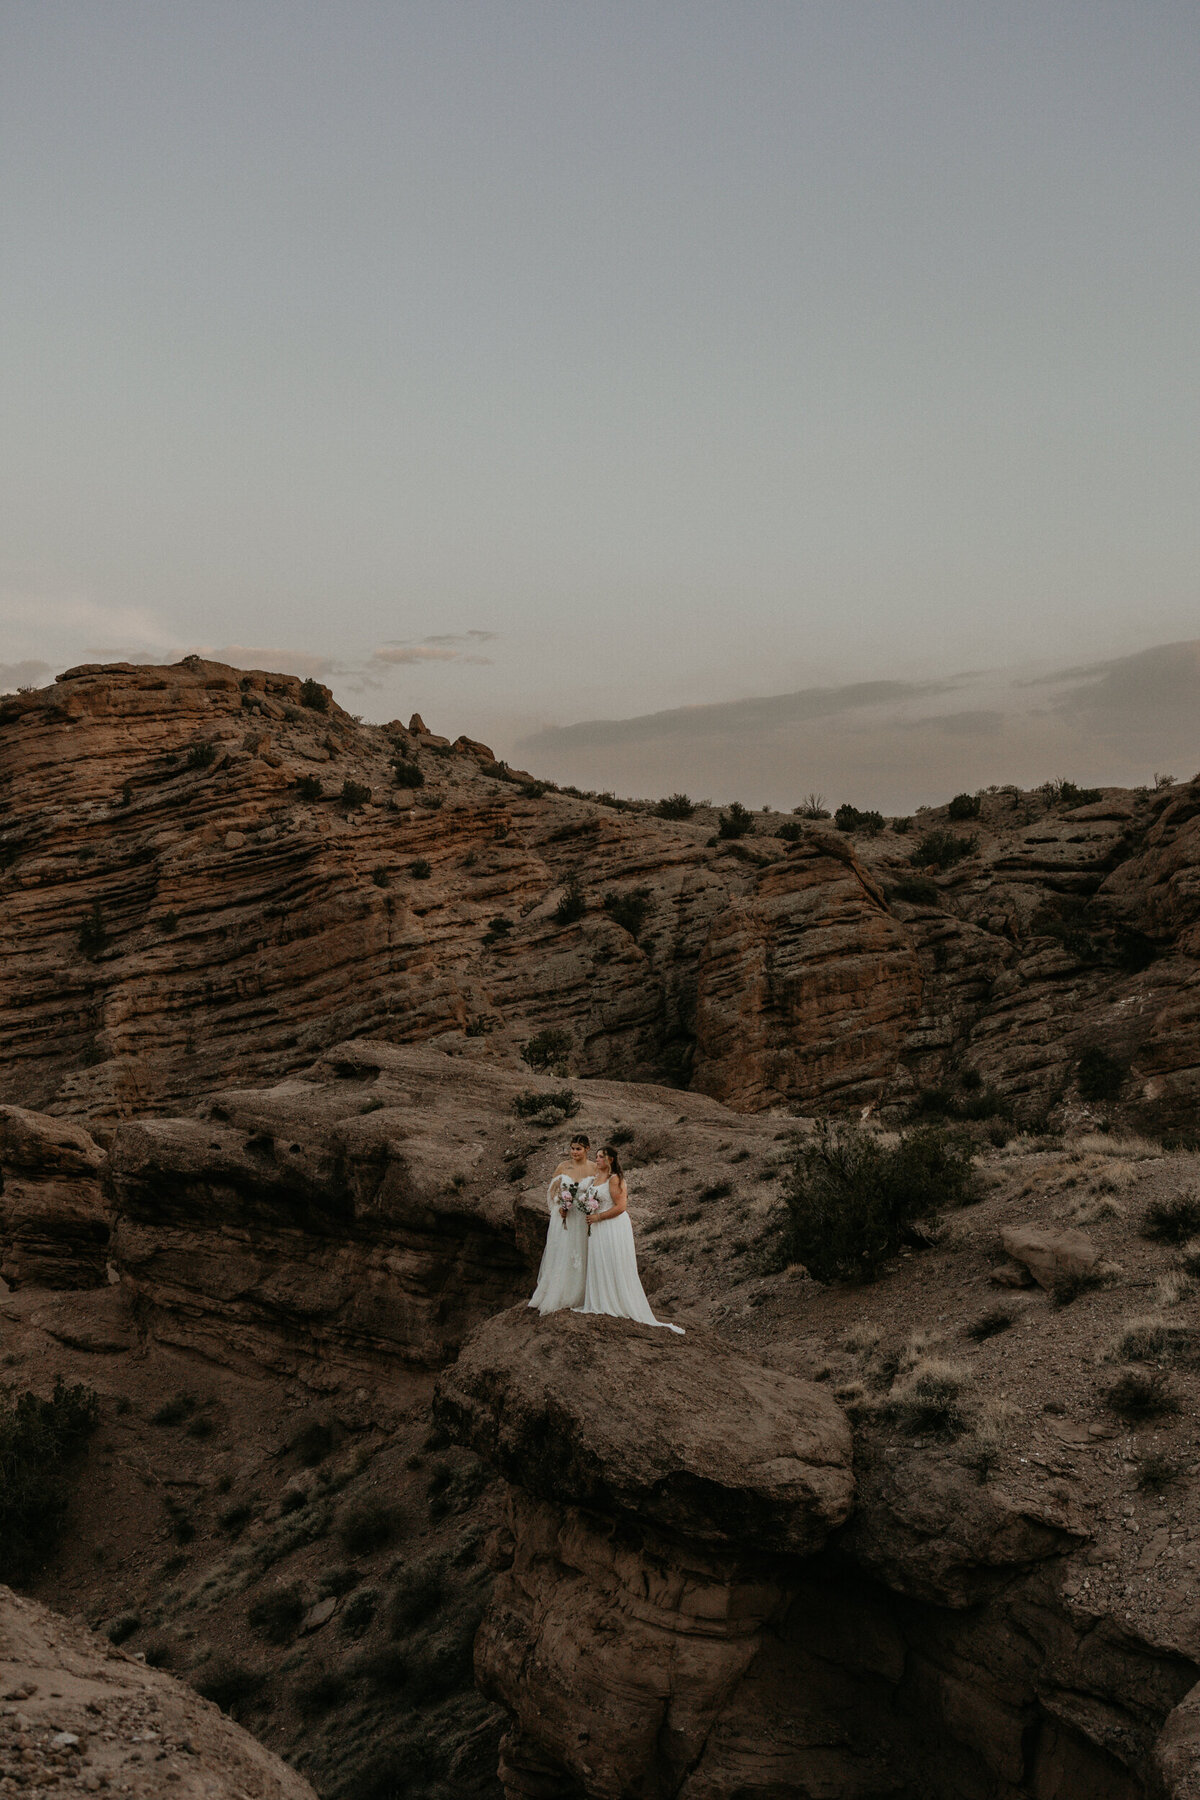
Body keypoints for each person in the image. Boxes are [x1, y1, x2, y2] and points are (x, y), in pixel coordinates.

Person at [574, 1146, 683, 1332]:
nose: (597, 1159)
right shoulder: (596, 1178)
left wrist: (598, 1216)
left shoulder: (614, 1179)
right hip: (597, 1226)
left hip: (611, 1225)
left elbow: (621, 1206)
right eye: (596, 1156)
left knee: (613, 1260)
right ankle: (601, 1299)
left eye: (600, 1157)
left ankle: (616, 1302)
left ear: (610, 1160)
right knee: (600, 1261)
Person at [527, 1133, 596, 1314]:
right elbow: (552, 1190)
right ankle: (557, 1291)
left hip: (581, 1217)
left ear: (587, 1149)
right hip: (564, 1216)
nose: (574, 1152)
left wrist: (589, 1206)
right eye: (572, 1148)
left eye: (578, 1149)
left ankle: (578, 1293)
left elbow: (597, 1191)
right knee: (562, 1250)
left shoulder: (594, 1168)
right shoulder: (563, 1166)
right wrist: (559, 1205)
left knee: (579, 1251)